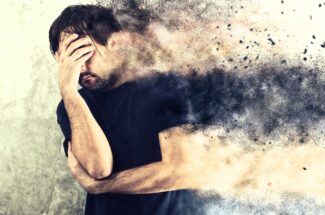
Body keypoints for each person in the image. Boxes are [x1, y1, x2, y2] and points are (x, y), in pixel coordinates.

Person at [49, 4, 210, 215]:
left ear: (113, 44)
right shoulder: (72, 106)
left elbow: (181, 170)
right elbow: (98, 168)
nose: (79, 68)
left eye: (83, 54)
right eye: (68, 61)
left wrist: (102, 187)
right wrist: (68, 91)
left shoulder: (166, 86)